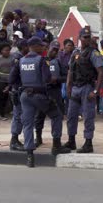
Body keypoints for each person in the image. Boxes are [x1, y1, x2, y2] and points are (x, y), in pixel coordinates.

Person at [19, 37, 71, 167]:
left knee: (27, 124)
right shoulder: (41, 60)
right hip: (39, 95)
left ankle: (30, 157)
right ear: (34, 46)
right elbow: (47, 78)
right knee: (57, 115)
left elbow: (15, 77)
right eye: (41, 46)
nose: (43, 48)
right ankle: (56, 145)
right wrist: (54, 79)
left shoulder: (21, 60)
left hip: (25, 95)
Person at [63, 28, 103, 154]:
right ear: (79, 38)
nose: (87, 39)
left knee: (88, 116)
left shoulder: (94, 53)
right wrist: (68, 86)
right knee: (71, 116)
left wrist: (96, 91)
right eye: (84, 37)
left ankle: (88, 143)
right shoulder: (75, 52)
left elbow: (101, 72)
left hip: (87, 87)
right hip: (75, 87)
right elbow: (70, 70)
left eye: (88, 37)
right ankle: (71, 140)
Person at [34, 41, 67, 147]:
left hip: (55, 92)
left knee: (57, 116)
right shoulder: (41, 61)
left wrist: (56, 80)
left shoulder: (58, 62)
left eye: (57, 50)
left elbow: (65, 77)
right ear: (48, 48)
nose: (54, 52)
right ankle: (38, 138)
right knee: (39, 116)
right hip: (43, 92)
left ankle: (56, 140)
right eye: (53, 49)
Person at [8, 38, 28, 151]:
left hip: (20, 90)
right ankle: (14, 140)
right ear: (23, 47)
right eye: (27, 47)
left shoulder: (21, 58)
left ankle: (16, 139)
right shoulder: (18, 59)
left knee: (20, 115)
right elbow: (12, 77)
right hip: (18, 90)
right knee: (18, 115)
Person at [0, 43, 12, 121]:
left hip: (10, 81)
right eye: (5, 50)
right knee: (2, 98)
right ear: (1, 51)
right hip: (1, 80)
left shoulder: (12, 58)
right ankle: (1, 114)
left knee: (9, 98)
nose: (7, 51)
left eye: (8, 50)